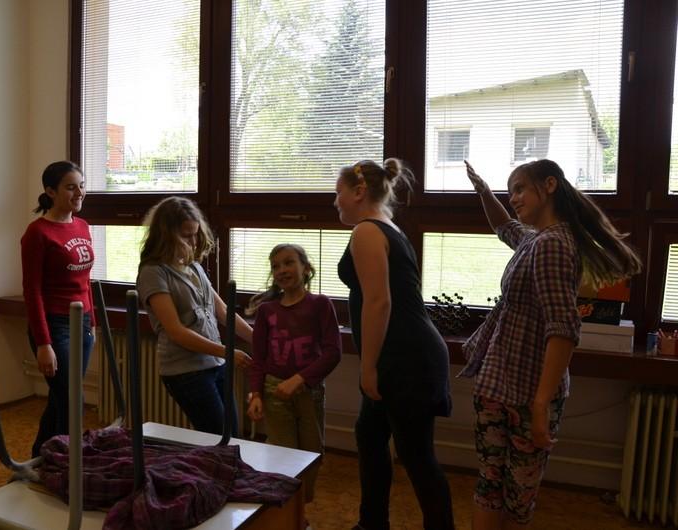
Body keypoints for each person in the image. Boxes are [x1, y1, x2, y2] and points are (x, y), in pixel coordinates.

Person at [462, 159, 642, 529]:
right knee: (494, 485)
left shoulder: (553, 246)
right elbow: (503, 226)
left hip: (526, 396)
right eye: (510, 192)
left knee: (513, 495)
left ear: (549, 185)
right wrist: (484, 192)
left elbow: (563, 329)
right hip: (498, 385)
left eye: (519, 189)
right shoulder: (535, 240)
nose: (513, 198)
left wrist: (541, 404)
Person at [335, 159, 455, 530]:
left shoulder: (367, 231)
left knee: (416, 456)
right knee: (370, 436)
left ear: (359, 192)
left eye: (338, 193)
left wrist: (368, 367)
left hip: (405, 359)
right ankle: (371, 523)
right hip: (407, 353)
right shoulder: (387, 226)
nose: (335, 202)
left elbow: (379, 302)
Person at [136, 196, 253, 436]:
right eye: (186, 235)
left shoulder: (193, 266)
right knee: (218, 437)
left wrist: (257, 338)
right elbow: (176, 331)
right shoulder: (152, 273)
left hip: (216, 364)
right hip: (185, 371)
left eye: (195, 234)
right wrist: (227, 351)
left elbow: (222, 311)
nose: (193, 242)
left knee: (232, 435)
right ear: (166, 235)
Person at [245, 243, 342, 505]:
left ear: (306, 268)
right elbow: (259, 359)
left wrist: (300, 379)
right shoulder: (267, 311)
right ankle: (286, 512)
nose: (282, 270)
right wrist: (256, 394)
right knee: (282, 455)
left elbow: (333, 353)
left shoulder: (320, 304)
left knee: (312, 454)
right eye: (275, 266)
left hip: (309, 391)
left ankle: (300, 511)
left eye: (289, 263)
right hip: (274, 392)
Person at [21, 160, 95, 458]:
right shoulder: (37, 232)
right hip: (55, 326)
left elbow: (86, 281)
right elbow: (32, 290)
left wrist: (93, 322)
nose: (79, 193)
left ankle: (40, 457)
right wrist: (43, 343)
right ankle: (67, 460)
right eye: (70, 187)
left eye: (82, 186)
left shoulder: (82, 226)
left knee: (61, 396)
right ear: (50, 192)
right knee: (71, 398)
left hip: (83, 323)